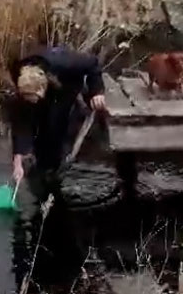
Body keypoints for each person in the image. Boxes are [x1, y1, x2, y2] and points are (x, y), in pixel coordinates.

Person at [8, 45, 108, 200]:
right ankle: (43, 173)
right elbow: (21, 123)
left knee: (56, 126)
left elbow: (92, 63)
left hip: (66, 86)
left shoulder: (64, 62)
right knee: (39, 134)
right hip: (44, 93)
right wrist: (17, 162)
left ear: (43, 88)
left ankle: (55, 173)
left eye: (34, 99)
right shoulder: (20, 77)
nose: (31, 103)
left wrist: (97, 92)